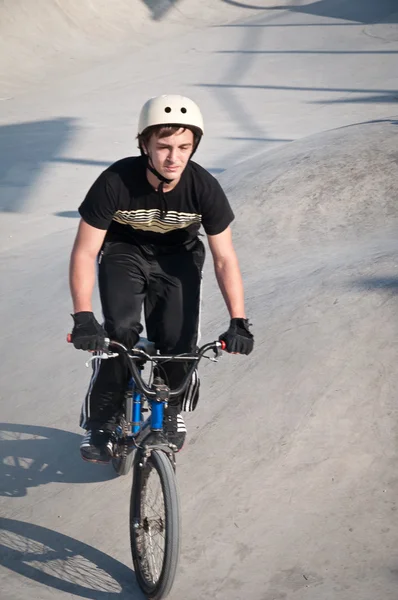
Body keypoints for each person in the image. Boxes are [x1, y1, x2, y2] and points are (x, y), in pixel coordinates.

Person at [69, 94, 254, 463]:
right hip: (126, 252)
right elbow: (85, 252)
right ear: (145, 145)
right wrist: (83, 316)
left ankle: (170, 408)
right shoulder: (115, 182)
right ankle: (102, 421)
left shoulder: (203, 188)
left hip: (179, 259)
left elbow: (224, 258)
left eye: (185, 147)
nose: (174, 157)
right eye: (164, 146)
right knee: (119, 334)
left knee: (180, 343)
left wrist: (239, 321)